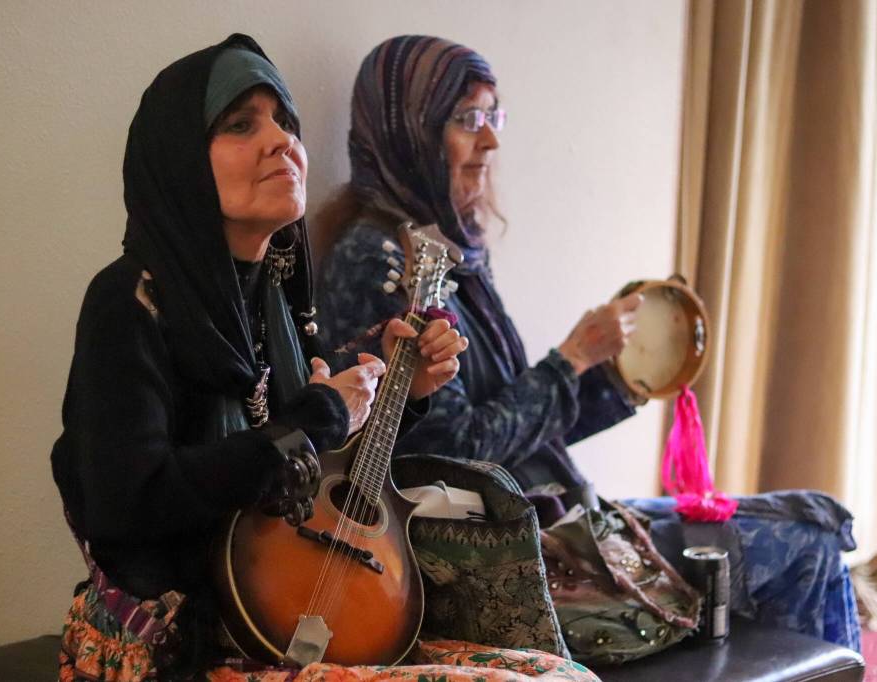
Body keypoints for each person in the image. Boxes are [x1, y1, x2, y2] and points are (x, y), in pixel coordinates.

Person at [51, 34, 590, 682]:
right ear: (178, 159)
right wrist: (316, 416)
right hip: (176, 641)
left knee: (554, 672)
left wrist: (402, 392)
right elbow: (129, 505)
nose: (281, 141)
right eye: (241, 124)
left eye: (287, 122)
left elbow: (318, 468)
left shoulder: (276, 294)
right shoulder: (128, 303)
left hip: (281, 607)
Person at [315, 34, 861, 653]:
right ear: (408, 131)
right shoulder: (379, 261)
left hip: (546, 519)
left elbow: (519, 431)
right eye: (467, 119)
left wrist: (617, 377)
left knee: (816, 517)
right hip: (506, 556)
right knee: (810, 539)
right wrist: (571, 358)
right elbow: (452, 454)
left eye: (494, 117)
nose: (490, 140)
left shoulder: (448, 252)